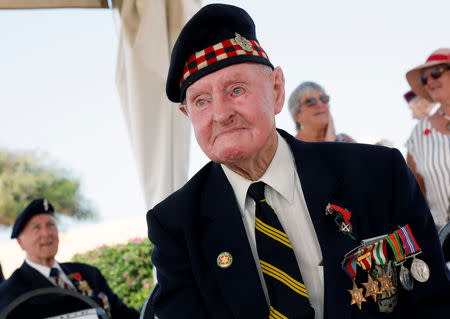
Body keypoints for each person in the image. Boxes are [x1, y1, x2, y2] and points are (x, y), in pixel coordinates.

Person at [147, 4, 450, 318]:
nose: (221, 114)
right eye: (201, 100)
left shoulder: (377, 174)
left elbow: (433, 304)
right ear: (187, 114)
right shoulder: (176, 227)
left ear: (277, 90)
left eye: (236, 89)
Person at [0, 198, 140, 318]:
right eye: (36, 228)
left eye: (51, 225)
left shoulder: (90, 274)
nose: (46, 233)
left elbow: (123, 314)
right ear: (20, 242)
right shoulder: (11, 291)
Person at [405, 48, 450, 229]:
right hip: (445, 242)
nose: (430, 81)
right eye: (425, 78)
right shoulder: (419, 134)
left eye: (436, 73)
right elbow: (414, 193)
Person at [288, 81, 355, 142]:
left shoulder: (346, 141)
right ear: (297, 116)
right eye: (310, 102)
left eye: (323, 99)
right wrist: (330, 144)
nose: (320, 104)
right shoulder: (288, 148)